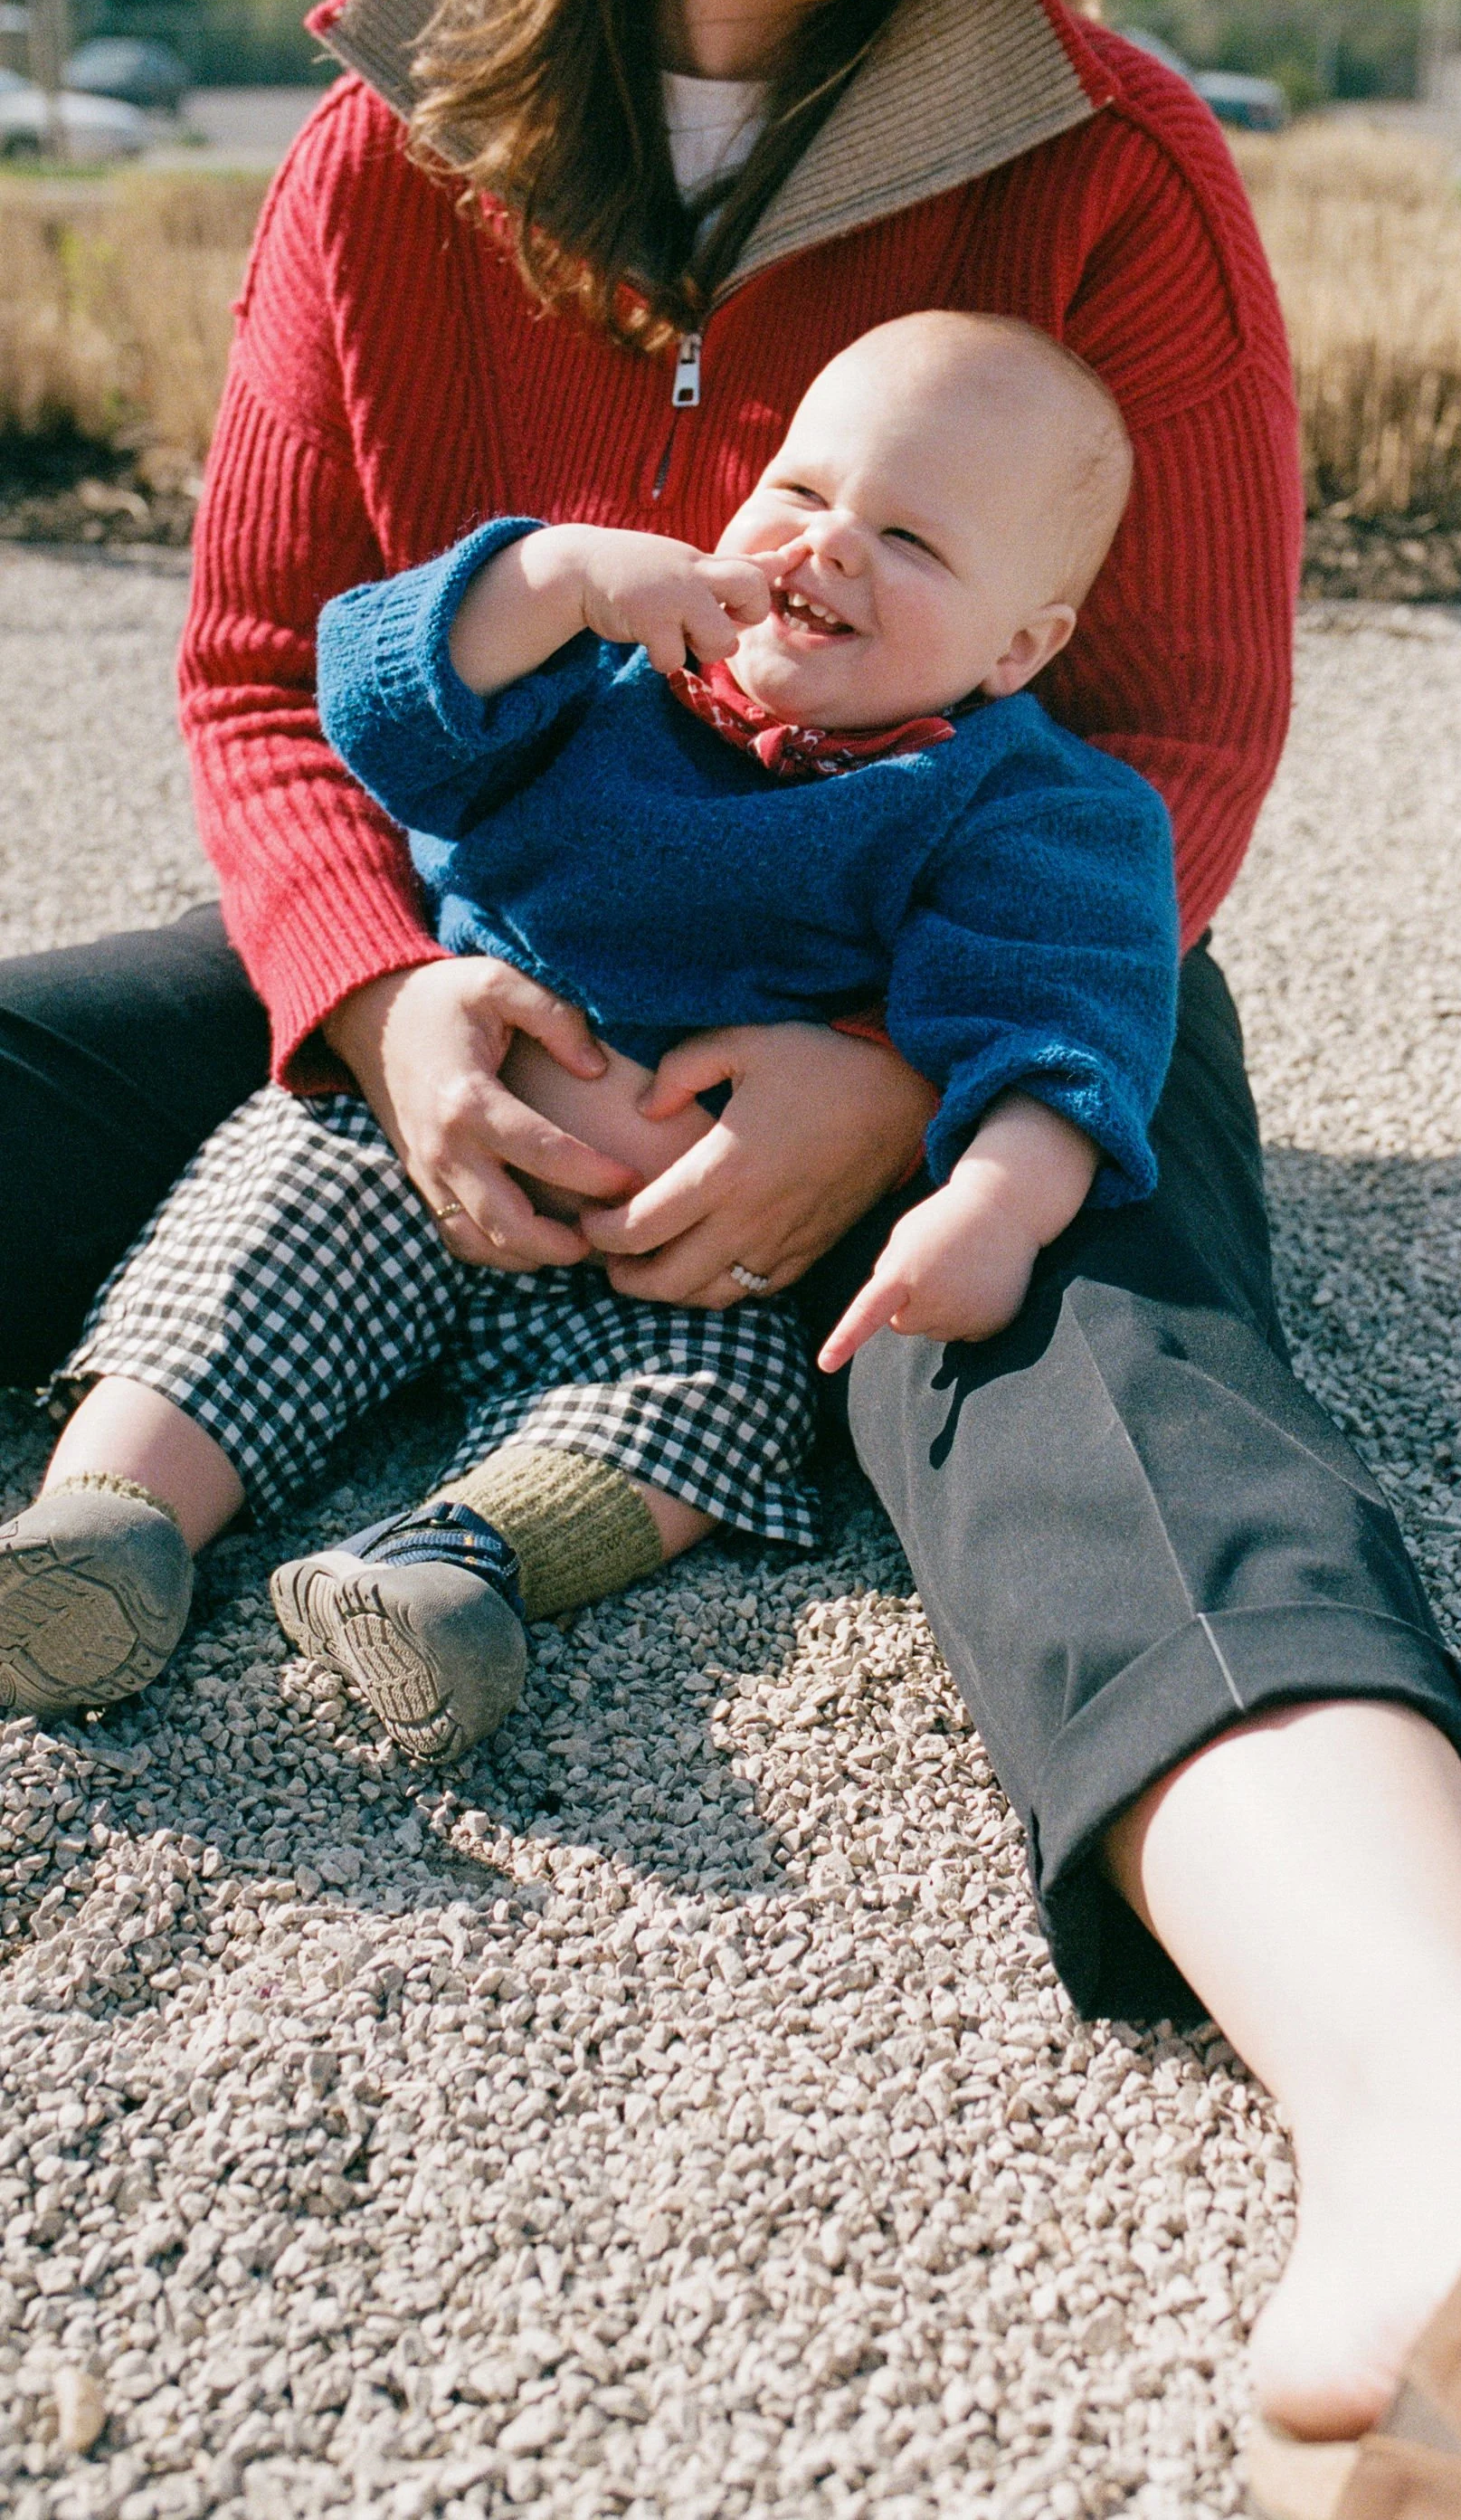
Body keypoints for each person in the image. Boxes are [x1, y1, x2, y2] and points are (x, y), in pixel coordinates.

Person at [0, 0, 1461, 2502]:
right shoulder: (389, 131)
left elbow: (1176, 739)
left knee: (1089, 1331)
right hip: (500, 915)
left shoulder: (1105, 162)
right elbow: (270, 677)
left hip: (983, 958)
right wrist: (377, 996)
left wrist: (906, 1091)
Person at [4, 313, 1179, 1779]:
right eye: (804, 495)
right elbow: (377, 706)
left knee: (729, 1400)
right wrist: (549, 577)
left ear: (1021, 643)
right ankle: (107, 1521)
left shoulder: (1022, 803)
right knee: (261, 1223)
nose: (828, 549)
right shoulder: (621, 663)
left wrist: (995, 1207)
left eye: (913, 541)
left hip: (684, 1260)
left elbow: (1064, 1022)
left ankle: (458, 1567)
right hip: (414, 1147)